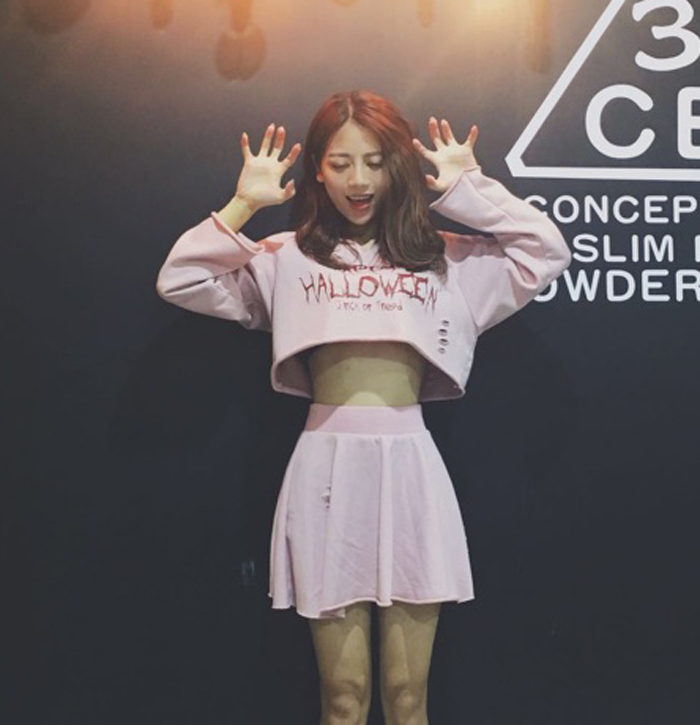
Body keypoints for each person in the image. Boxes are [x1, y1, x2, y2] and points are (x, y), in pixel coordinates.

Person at [156, 90, 571, 725]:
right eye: (341, 162)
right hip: (324, 472)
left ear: (398, 165)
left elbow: (546, 251)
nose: (359, 180)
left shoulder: (443, 259)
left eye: (376, 162)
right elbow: (181, 279)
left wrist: (470, 188)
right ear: (317, 170)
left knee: (407, 697)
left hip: (412, 471)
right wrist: (244, 205)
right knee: (344, 698)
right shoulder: (288, 257)